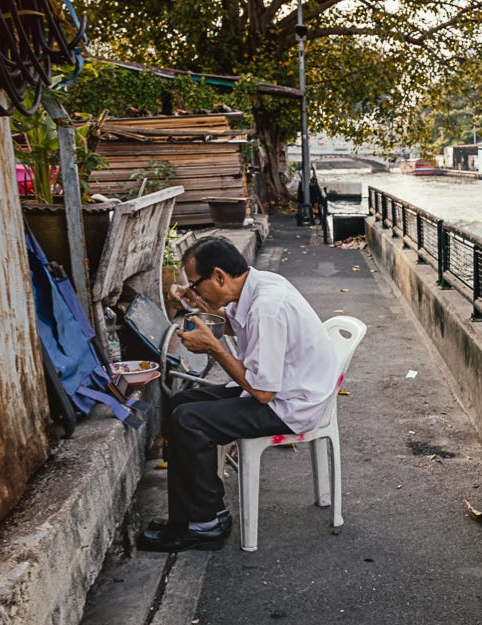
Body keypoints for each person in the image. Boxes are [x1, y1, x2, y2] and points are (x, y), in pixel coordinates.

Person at [138, 237, 338, 552]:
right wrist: (204, 308)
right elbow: (240, 328)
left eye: (196, 284)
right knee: (182, 403)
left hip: (290, 404)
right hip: (285, 388)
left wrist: (213, 348)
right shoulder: (259, 285)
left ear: (218, 276)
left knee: (189, 421)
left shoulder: (266, 307)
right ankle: (185, 518)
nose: (194, 290)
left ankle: (207, 522)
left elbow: (261, 391)